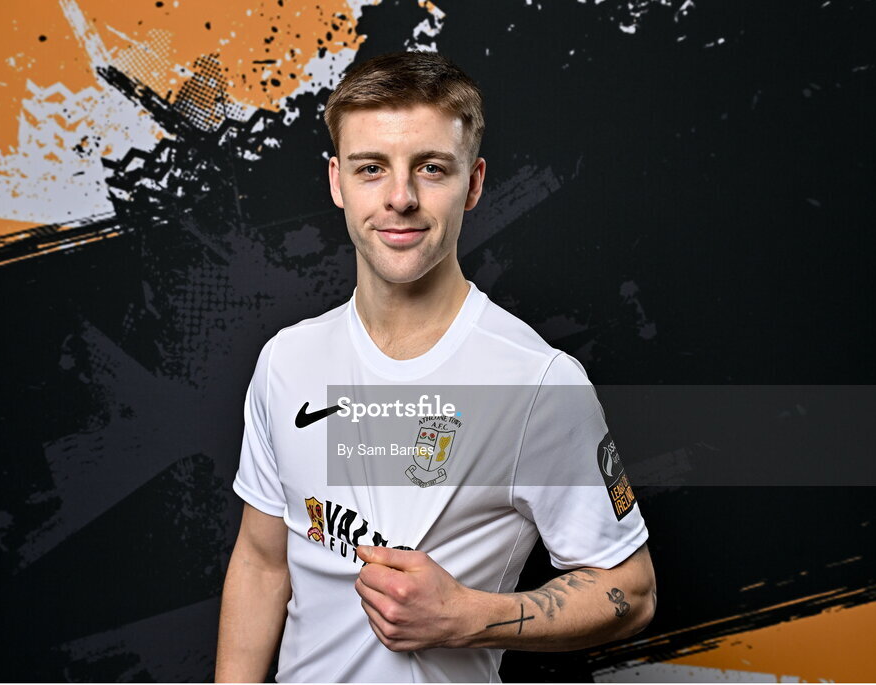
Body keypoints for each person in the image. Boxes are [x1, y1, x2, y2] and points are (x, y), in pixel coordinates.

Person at [215, 51, 656, 683]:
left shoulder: (536, 383)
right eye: (372, 169)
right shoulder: (288, 361)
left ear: (473, 183)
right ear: (337, 181)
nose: (401, 198)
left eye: (430, 168)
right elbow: (262, 564)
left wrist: (467, 617)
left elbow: (632, 592)